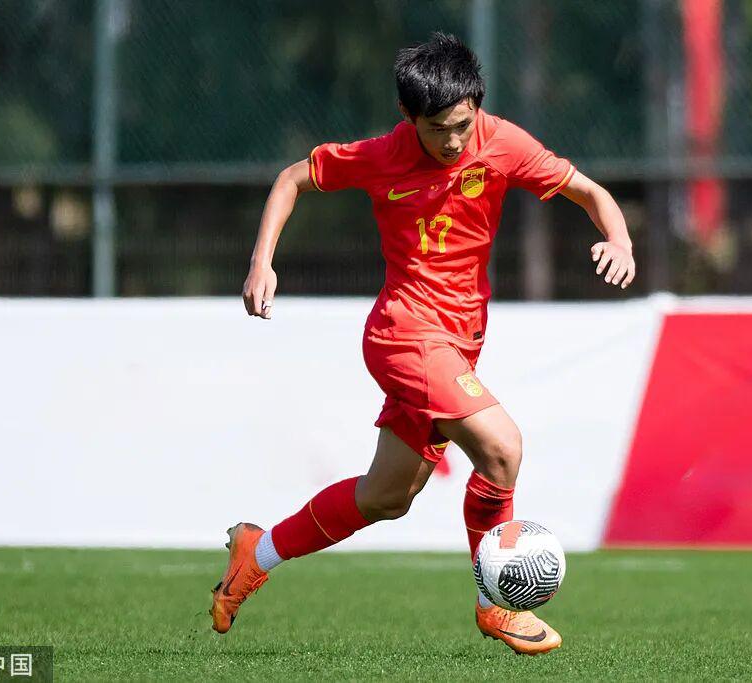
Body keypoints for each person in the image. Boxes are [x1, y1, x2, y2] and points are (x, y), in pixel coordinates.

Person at [211, 32, 634, 655]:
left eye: (463, 124)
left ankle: (258, 551)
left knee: (387, 497)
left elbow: (590, 192)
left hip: (459, 343)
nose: (454, 141)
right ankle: (497, 605)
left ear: (477, 106)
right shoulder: (382, 155)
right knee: (502, 449)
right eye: (438, 130)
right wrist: (261, 263)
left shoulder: (503, 143)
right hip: (403, 334)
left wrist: (619, 240)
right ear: (407, 117)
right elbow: (290, 179)